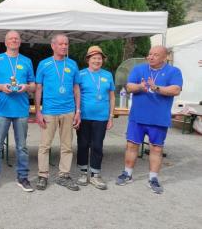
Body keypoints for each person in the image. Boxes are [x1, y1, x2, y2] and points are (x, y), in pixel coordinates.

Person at [116, 45, 182, 194]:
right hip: (137, 117)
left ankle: (153, 178)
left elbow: (176, 89)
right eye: (150, 54)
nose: (151, 57)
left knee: (156, 148)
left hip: (158, 118)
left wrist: (156, 88)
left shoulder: (173, 71)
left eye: (155, 55)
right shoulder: (139, 69)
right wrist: (141, 86)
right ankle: (127, 174)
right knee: (132, 146)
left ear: (164, 57)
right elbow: (129, 87)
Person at [0, 30, 36, 192]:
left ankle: (22, 177)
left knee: (22, 147)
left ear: (20, 42)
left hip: (21, 109)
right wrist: (1, 87)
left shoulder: (27, 61)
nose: (14, 41)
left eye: (17, 38)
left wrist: (26, 87)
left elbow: (34, 85)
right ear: (5, 42)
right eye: (11, 39)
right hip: (2, 109)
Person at [35, 34, 81, 191]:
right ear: (53, 46)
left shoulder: (73, 64)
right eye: (60, 44)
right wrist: (38, 111)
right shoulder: (44, 64)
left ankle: (64, 175)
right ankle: (43, 175)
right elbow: (38, 88)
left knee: (67, 145)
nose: (64, 46)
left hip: (68, 110)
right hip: (49, 111)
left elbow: (76, 89)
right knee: (44, 146)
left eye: (66, 44)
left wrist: (78, 110)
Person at [76, 46, 115, 190]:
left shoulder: (108, 75)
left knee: (97, 145)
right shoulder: (80, 74)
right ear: (88, 60)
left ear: (102, 60)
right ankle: (83, 172)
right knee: (83, 144)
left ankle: (95, 175)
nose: (97, 61)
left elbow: (111, 97)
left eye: (99, 58)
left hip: (101, 117)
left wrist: (111, 116)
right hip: (84, 116)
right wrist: (77, 113)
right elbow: (76, 95)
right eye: (94, 58)